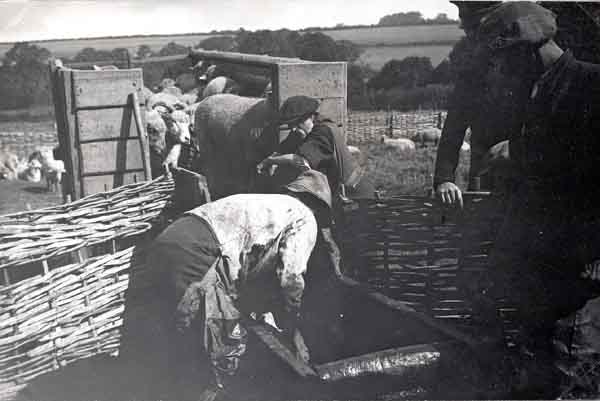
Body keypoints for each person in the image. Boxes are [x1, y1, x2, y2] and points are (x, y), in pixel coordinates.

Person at [473, 2, 600, 395]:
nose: (501, 72)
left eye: (504, 61)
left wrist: (520, 151)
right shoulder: (539, 91)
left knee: (571, 366)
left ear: (528, 49)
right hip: (543, 260)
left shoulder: (590, 86)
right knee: (540, 369)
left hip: (580, 261)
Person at [147, 171, 331, 399]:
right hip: (197, 252)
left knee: (184, 347)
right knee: (222, 355)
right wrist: (292, 330)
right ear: (318, 207)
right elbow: (290, 278)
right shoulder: (304, 217)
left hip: (171, 240)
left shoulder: (270, 205)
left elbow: (249, 268)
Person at [434, 1, 528, 205]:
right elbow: (453, 127)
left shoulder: (530, 59)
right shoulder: (472, 71)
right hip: (484, 172)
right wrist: (444, 180)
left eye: (474, 28)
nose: (470, 35)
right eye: (469, 29)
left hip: (530, 173)